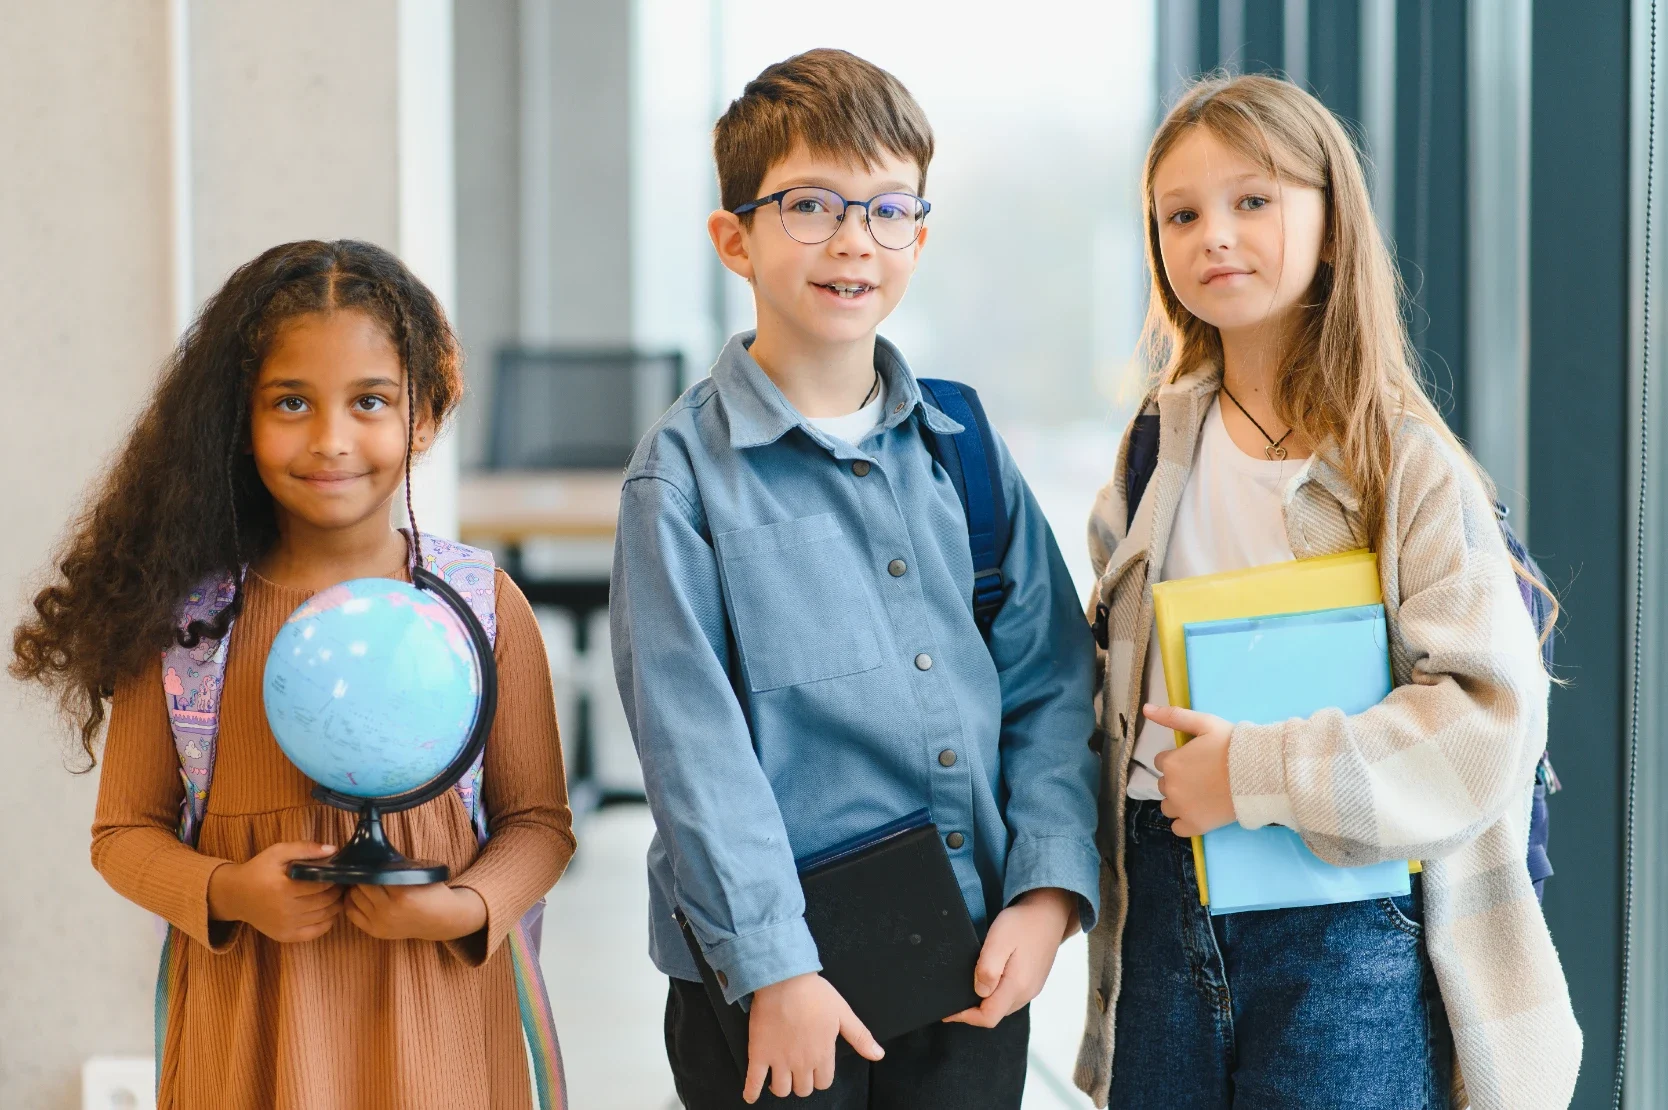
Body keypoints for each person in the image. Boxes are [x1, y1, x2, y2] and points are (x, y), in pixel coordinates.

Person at [1075, 74, 1581, 1110]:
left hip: (1351, 922)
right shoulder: (1147, 456)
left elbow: (1485, 720)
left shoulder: (1405, 463)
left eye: (1253, 200)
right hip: (1168, 903)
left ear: (1333, 226)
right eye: (1182, 213)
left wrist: (1250, 775)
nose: (1214, 233)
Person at [609, 49, 1100, 1108]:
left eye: (886, 209)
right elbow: (694, 750)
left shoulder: (965, 448)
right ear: (734, 238)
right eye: (810, 205)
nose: (851, 241)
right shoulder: (682, 478)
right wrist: (777, 967)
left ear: (918, 234)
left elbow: (1051, 684)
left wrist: (1047, 893)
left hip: (969, 957)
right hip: (774, 982)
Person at [10, 239, 575, 1110]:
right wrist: (229, 890)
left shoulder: (482, 610)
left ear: (425, 417)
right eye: (291, 402)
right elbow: (122, 833)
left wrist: (462, 908)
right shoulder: (187, 623)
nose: (331, 439)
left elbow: (538, 824)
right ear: (239, 419)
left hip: (440, 1033)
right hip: (250, 1042)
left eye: (371, 402)